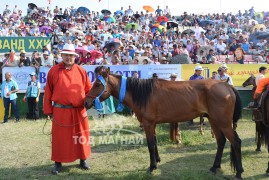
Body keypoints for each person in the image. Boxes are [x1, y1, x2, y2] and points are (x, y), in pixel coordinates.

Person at [44, 43, 92, 174]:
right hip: (60, 111)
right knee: (60, 138)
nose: (68, 57)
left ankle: (83, 160)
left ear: (74, 57)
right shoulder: (53, 71)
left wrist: (90, 104)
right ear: (62, 55)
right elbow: (48, 91)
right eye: (66, 55)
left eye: (71, 55)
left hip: (79, 110)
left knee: (81, 136)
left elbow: (89, 90)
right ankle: (58, 163)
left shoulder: (81, 71)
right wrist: (48, 110)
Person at [169, 73, 182, 144]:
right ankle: (172, 138)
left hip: (177, 106)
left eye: (174, 77)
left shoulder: (178, 85)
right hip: (170, 106)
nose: (173, 78)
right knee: (171, 123)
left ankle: (178, 138)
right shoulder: (168, 85)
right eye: (172, 77)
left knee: (177, 123)